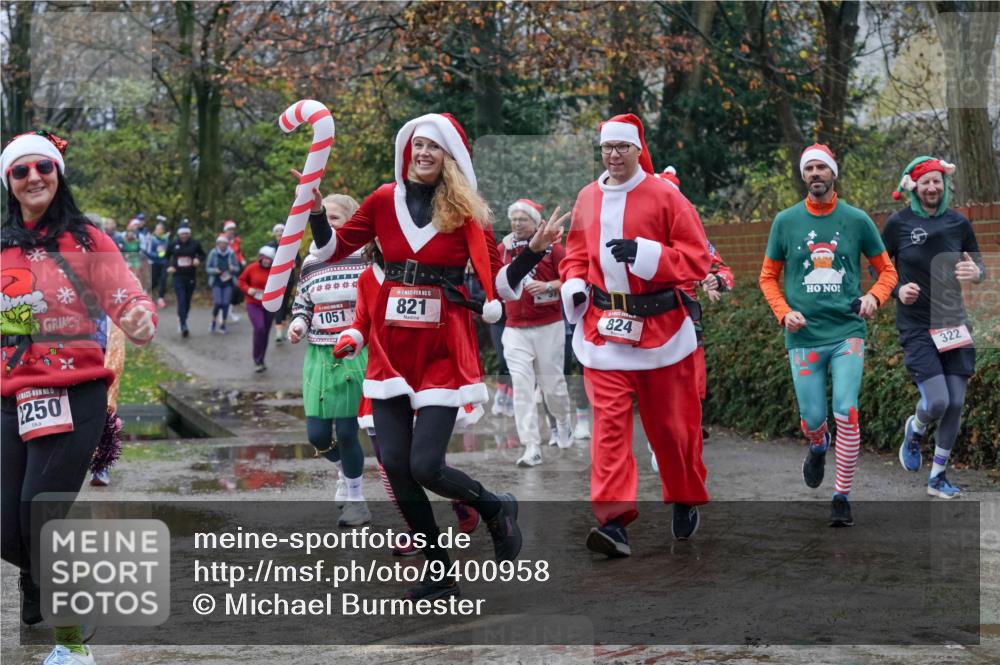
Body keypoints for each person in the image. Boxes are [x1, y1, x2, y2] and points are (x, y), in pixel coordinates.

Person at [304, 112, 564, 600]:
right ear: (407, 150)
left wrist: (531, 251)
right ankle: (439, 569)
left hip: (443, 347)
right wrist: (318, 214)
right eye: (417, 145)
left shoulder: (468, 213)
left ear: (449, 157)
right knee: (396, 466)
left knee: (425, 465)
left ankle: (492, 507)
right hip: (389, 348)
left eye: (434, 147)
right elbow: (335, 250)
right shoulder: (384, 200)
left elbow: (501, 286)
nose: (423, 153)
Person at [1, 129, 157, 665]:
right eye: (20, 172)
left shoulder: (86, 239)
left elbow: (125, 294)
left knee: (38, 518)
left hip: (76, 395)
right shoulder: (3, 247)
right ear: (9, 183)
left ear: (57, 173)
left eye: (41, 167)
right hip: (13, 398)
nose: (33, 178)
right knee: (7, 528)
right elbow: (7, 327)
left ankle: (72, 647)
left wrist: (138, 319)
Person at [560, 114, 711, 557]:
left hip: (663, 335)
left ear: (637, 149)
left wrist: (646, 254)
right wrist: (572, 285)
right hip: (604, 332)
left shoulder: (667, 197)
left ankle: (684, 495)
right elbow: (573, 255)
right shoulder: (587, 197)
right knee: (608, 428)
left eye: (622, 147)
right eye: (607, 148)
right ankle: (613, 523)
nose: (613, 155)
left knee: (673, 430)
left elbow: (697, 260)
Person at [759, 143, 898, 527]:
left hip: (846, 332)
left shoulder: (857, 220)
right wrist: (784, 313)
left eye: (822, 168)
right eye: (809, 169)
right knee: (813, 418)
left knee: (846, 410)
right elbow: (767, 276)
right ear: (803, 176)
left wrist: (874, 297)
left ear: (833, 173)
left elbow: (887, 271)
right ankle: (818, 444)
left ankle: (842, 496)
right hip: (803, 338)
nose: (815, 174)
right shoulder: (785, 222)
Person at [884, 157, 986, 498]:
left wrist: (977, 274)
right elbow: (878, 267)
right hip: (916, 326)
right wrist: (898, 289)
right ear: (915, 186)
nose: (932, 188)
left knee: (956, 402)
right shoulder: (898, 223)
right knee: (938, 401)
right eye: (926, 182)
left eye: (937, 182)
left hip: (953, 322)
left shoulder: (958, 222)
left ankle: (938, 477)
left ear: (944, 186)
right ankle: (915, 428)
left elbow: (978, 263)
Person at [288, 194, 371, 526]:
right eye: (326, 218)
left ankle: (357, 500)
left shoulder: (366, 258)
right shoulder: (311, 262)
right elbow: (303, 306)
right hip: (319, 354)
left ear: (350, 222)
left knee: (348, 430)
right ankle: (343, 468)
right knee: (317, 435)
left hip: (354, 352)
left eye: (335, 218)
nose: (328, 223)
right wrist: (297, 324)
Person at [496, 198, 573, 467]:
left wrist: (549, 286)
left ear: (535, 223)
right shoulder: (503, 251)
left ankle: (563, 421)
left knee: (553, 387)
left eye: (523, 219)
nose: (517, 223)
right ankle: (531, 446)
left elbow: (573, 280)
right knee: (522, 388)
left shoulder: (554, 250)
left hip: (548, 326)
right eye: (514, 219)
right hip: (515, 328)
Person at [238, 245, 277, 372]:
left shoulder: (275, 270)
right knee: (259, 328)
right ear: (261, 257)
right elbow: (241, 280)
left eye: (270, 259)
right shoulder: (251, 268)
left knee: (265, 332)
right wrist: (248, 289)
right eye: (265, 258)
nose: (267, 261)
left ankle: (261, 359)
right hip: (253, 303)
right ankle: (256, 358)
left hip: (268, 305)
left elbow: (281, 284)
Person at [165, 223, 204, 338]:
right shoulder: (173, 244)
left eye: (186, 233)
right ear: (179, 234)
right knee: (181, 299)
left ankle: (183, 318)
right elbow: (166, 257)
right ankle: (183, 325)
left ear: (189, 234)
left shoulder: (195, 244)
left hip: (191, 276)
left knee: (187, 301)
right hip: (178, 276)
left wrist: (198, 259)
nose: (184, 236)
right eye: (182, 234)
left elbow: (202, 254)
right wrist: (169, 266)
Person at [267, 222, 303, 344]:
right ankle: (278, 332)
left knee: (285, 302)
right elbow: (263, 261)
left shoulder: (291, 245)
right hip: (275, 280)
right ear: (274, 235)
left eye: (282, 233)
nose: (280, 235)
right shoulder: (270, 247)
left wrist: (294, 264)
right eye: (277, 234)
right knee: (280, 304)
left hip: (289, 279)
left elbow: (298, 260)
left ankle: (281, 330)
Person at [205, 234, 241, 334]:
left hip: (228, 282)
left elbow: (237, 268)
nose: (222, 245)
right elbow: (207, 268)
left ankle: (223, 325)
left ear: (227, 244)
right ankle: (213, 322)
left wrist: (232, 268)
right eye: (220, 243)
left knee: (225, 304)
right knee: (218, 303)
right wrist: (214, 270)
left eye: (224, 243)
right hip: (216, 281)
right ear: (217, 244)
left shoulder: (231, 253)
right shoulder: (213, 253)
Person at [144, 218, 170, 309]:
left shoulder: (166, 239)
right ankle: (145, 295)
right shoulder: (151, 238)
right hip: (154, 263)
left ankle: (161, 298)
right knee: (153, 281)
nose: (159, 230)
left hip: (163, 263)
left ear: (163, 230)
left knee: (163, 280)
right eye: (157, 228)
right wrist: (158, 254)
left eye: (160, 229)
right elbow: (147, 251)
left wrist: (162, 254)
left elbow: (166, 251)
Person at [224, 220, 245, 323]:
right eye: (229, 229)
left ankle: (229, 312)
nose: (231, 231)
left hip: (236, 268)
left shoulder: (236, 240)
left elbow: (239, 252)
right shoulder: (222, 240)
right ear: (225, 230)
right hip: (225, 269)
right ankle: (222, 313)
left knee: (236, 289)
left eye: (232, 229)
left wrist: (242, 260)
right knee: (226, 289)